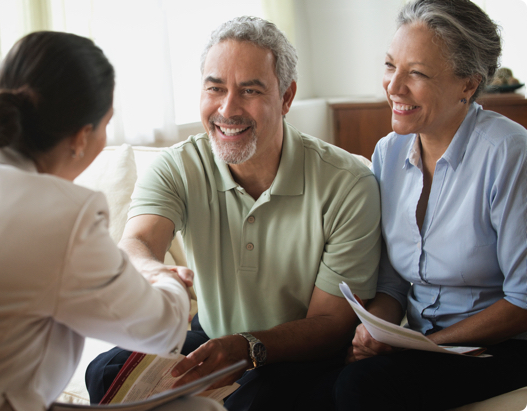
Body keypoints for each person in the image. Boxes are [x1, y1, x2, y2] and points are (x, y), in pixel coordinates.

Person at [0, 31, 224, 411]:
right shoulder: (61, 214)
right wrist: (165, 279)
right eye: (107, 123)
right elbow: (159, 330)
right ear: (81, 136)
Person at [86, 16, 382, 411]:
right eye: (215, 88)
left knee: (255, 401)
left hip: (299, 353)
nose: (228, 108)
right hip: (213, 337)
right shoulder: (177, 166)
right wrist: (154, 272)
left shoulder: (348, 183)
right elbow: (138, 241)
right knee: (104, 371)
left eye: (250, 90)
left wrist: (249, 347)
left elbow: (330, 325)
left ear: (287, 97)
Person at [333, 1, 527, 410]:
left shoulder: (508, 153)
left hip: (504, 346)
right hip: (425, 344)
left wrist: (423, 346)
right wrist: (378, 331)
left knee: (361, 387)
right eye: (390, 65)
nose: (393, 86)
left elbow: (522, 303)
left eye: (417, 73)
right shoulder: (388, 153)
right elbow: (393, 283)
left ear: (468, 85)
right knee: (317, 375)